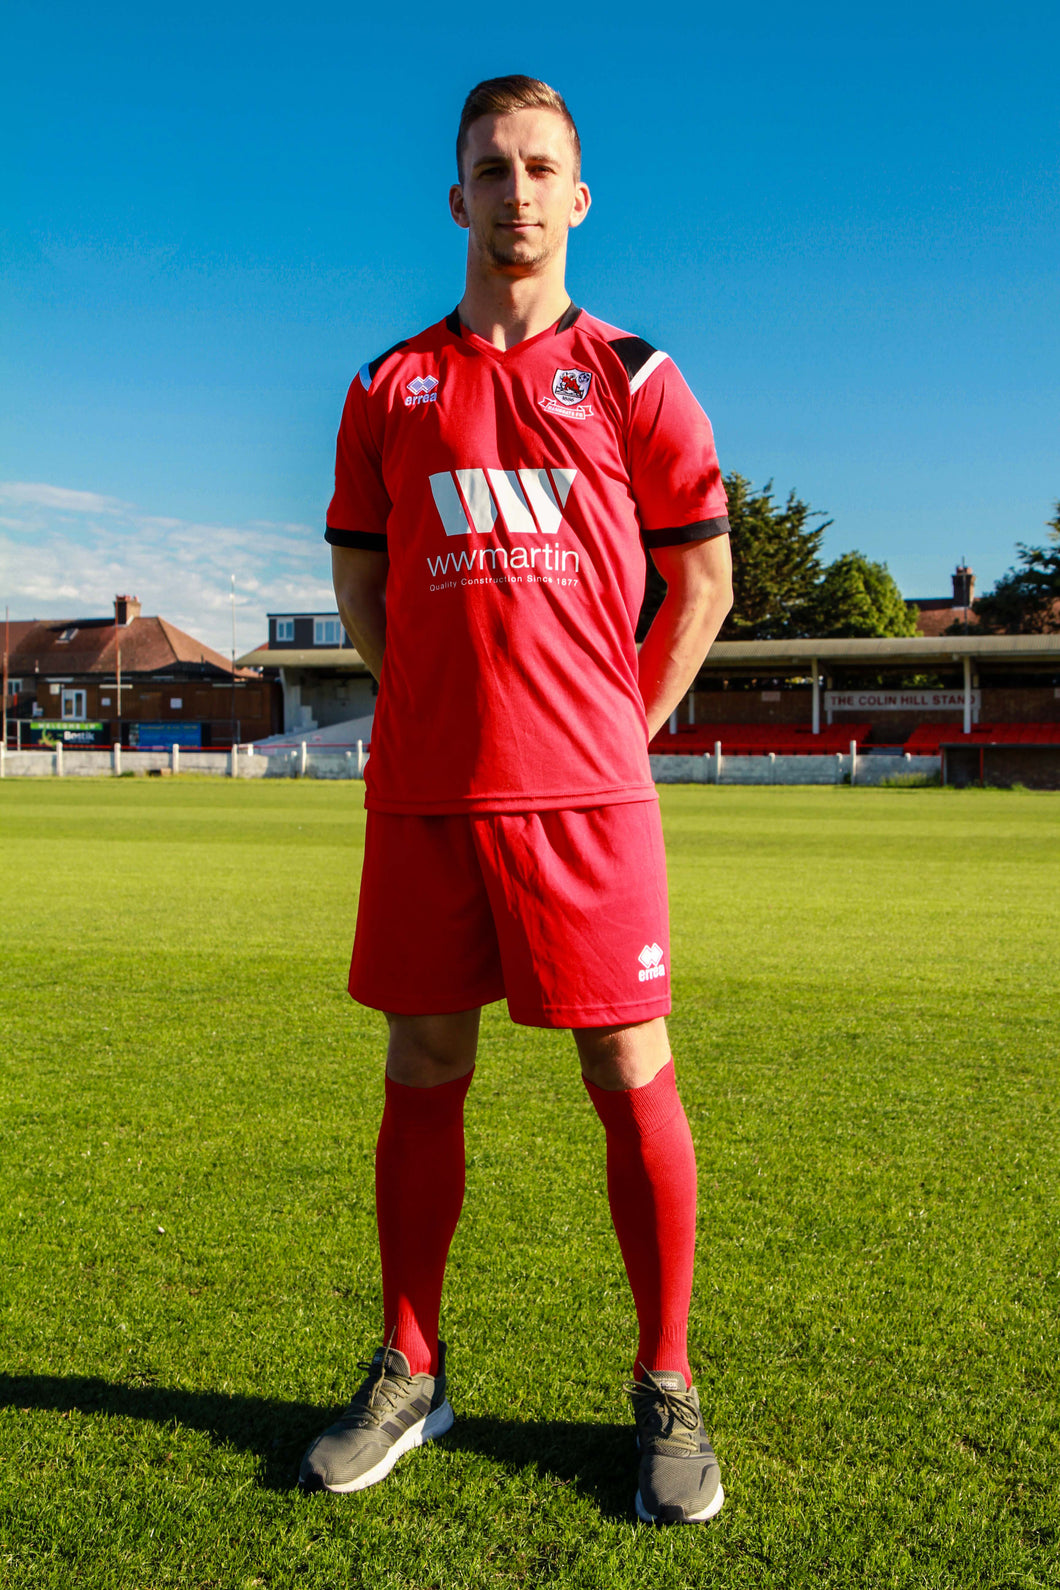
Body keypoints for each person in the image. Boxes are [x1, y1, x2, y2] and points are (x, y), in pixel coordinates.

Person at [299, 74, 734, 1526]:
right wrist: (423, 693)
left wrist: (620, 720)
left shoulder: (639, 376)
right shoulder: (388, 386)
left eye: (543, 167)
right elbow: (361, 573)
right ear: (458, 197)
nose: (519, 192)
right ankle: (410, 1367)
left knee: (628, 1070)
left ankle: (666, 1382)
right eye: (493, 167)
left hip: (588, 801)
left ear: (580, 195)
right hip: (427, 792)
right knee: (422, 1066)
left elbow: (705, 577)